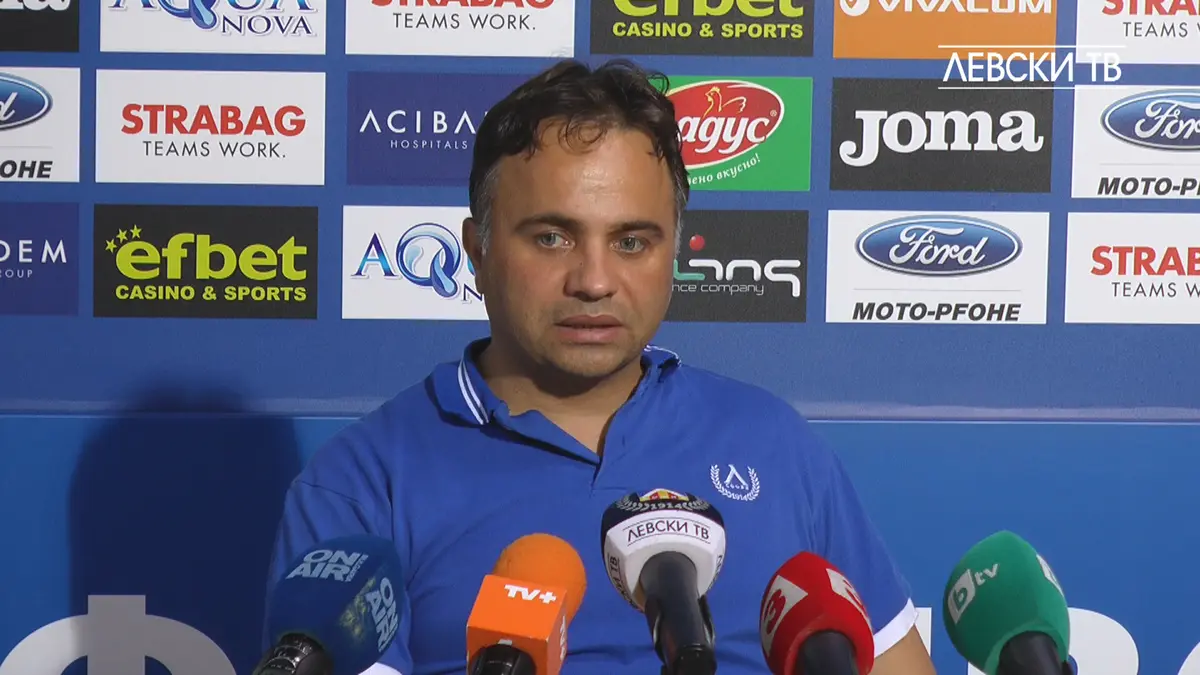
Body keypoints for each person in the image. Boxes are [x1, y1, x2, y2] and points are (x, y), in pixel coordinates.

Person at [264, 58, 938, 675]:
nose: (593, 280)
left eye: (631, 241)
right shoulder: (361, 485)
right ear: (478, 249)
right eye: (551, 237)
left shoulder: (776, 444)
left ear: (674, 252)